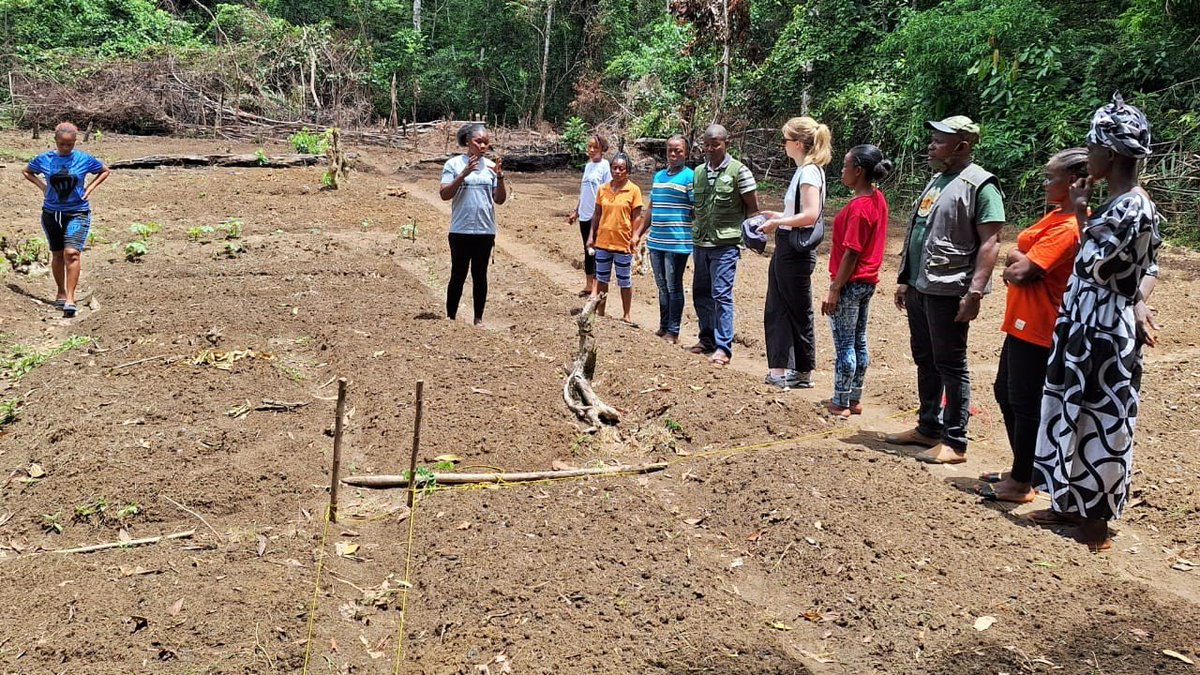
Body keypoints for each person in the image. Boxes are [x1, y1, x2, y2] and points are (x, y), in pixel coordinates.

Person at [1029, 94, 1161, 552]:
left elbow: (1097, 266)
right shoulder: (1120, 202)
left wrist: (1082, 213)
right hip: (1087, 321)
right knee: (1073, 411)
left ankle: (1095, 524)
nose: (1090, 154)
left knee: (1102, 419)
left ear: (1115, 153)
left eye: (1096, 145)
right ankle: (1070, 502)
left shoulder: (1133, 207)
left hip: (1103, 329)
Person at [887, 115, 1004, 464]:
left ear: (962, 146)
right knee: (925, 358)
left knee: (951, 363)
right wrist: (906, 279)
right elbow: (919, 232)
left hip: (950, 289)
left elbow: (991, 242)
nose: (930, 146)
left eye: (939, 141)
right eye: (934, 140)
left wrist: (975, 292)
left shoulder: (981, 185)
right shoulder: (938, 180)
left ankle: (955, 441)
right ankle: (928, 427)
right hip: (922, 285)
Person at [979, 149, 1086, 503]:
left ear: (1072, 182)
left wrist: (1017, 265)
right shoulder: (1055, 217)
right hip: (1021, 321)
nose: (1044, 183)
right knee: (1005, 392)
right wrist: (1018, 263)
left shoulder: (1069, 227)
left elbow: (1023, 271)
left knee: (1024, 401)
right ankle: (1024, 468)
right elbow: (1018, 259)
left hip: (1041, 325)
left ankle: (1023, 480)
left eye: (1050, 177)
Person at [758, 117, 831, 388]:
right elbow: (801, 212)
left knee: (790, 308)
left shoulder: (809, 172)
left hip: (795, 249)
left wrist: (779, 222)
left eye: (786, 140)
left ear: (798, 144)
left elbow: (811, 215)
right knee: (783, 306)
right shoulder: (806, 171)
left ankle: (792, 371)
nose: (783, 145)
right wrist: (779, 215)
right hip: (789, 245)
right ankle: (790, 371)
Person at [820, 144, 892, 417]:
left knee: (845, 344)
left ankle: (840, 401)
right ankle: (854, 397)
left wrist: (835, 288)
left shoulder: (859, 208)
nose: (842, 170)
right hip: (867, 282)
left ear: (858, 171)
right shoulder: (878, 198)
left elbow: (852, 252)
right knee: (859, 340)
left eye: (846, 165)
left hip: (850, 283)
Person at [22, 122, 111, 319]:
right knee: (57, 254)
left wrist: (89, 189)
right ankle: (61, 291)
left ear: (74, 143)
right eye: (62, 144)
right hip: (52, 213)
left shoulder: (83, 159)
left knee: (72, 253)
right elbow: (27, 171)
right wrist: (43, 187)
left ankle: (70, 298)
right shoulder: (44, 159)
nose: (65, 148)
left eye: (69, 144)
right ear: (55, 141)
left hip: (77, 212)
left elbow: (104, 170)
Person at [690, 124, 759, 365]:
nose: (709, 149)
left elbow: (752, 209)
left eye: (715, 144)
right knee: (701, 293)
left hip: (726, 244)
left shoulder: (740, 172)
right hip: (700, 242)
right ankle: (706, 339)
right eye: (706, 145)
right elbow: (695, 209)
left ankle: (723, 347)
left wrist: (752, 235)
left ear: (725, 144)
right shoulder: (698, 172)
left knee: (721, 295)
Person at [439, 123, 507, 326]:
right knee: (458, 273)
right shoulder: (453, 164)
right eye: (479, 141)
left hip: (485, 230)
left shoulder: (491, 167)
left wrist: (501, 177)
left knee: (480, 274)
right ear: (468, 141)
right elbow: (444, 194)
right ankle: (450, 316)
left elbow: (499, 199)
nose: (483, 145)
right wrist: (463, 174)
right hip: (460, 229)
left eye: (486, 142)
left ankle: (478, 318)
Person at [637, 135, 694, 343]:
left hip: (677, 242)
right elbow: (651, 207)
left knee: (673, 286)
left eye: (678, 150)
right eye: (670, 150)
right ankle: (663, 326)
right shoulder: (659, 176)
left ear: (686, 153)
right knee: (661, 286)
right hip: (656, 241)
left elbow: (696, 208)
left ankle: (673, 330)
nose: (673, 154)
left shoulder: (690, 177)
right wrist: (639, 233)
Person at [587, 153, 643, 322]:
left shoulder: (634, 190)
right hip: (603, 241)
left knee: (624, 281)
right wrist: (591, 236)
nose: (617, 171)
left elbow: (637, 217)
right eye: (614, 168)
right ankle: (601, 312)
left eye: (621, 168)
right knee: (602, 279)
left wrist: (635, 237)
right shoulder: (603, 189)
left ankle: (626, 315)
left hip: (623, 243)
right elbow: (597, 214)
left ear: (628, 171)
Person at [567, 135, 612, 297]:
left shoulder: (606, 166)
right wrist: (576, 211)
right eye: (590, 147)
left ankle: (596, 287)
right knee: (587, 249)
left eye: (595, 147)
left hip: (597, 215)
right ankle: (588, 285)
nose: (592, 150)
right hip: (584, 214)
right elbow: (584, 192)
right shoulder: (587, 167)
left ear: (602, 149)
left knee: (596, 251)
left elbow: (608, 192)